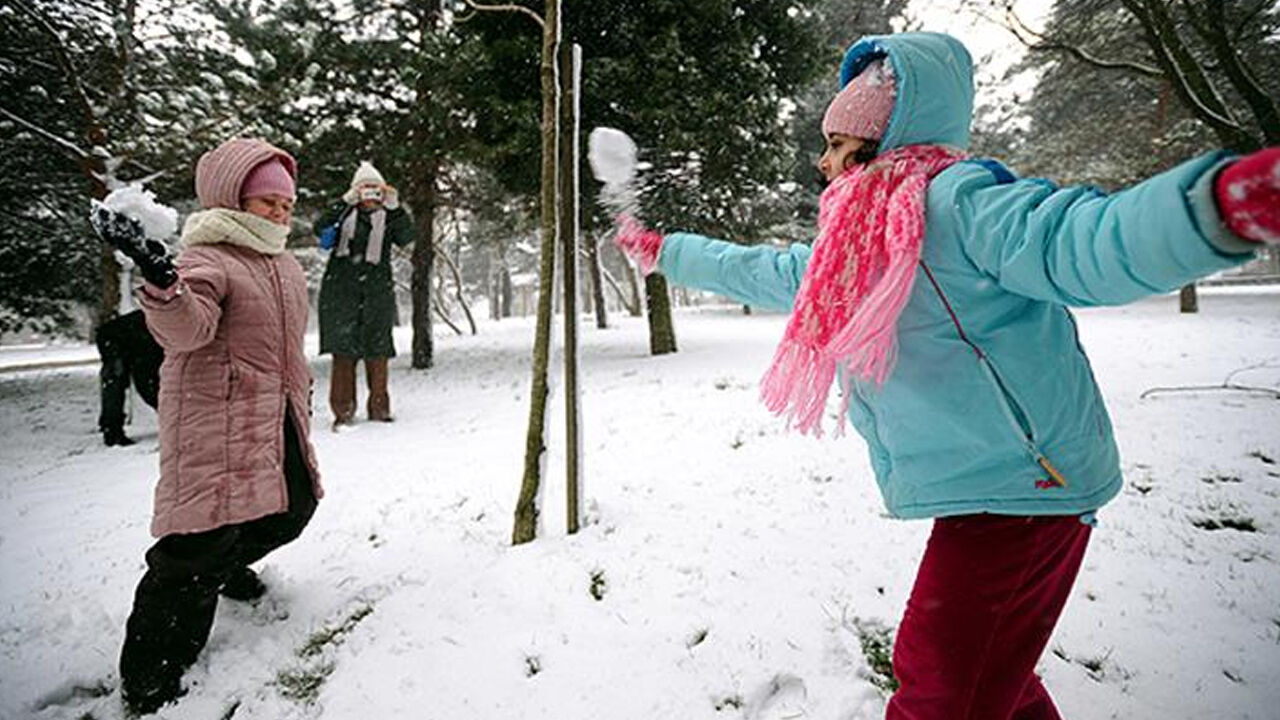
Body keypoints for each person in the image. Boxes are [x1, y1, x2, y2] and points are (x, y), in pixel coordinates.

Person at [612, 32, 1278, 720]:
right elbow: (766, 270)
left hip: (1031, 480)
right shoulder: (858, 238)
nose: (824, 159)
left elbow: (1081, 239)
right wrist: (668, 252)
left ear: (887, 141)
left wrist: (1217, 206)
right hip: (989, 484)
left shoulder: (961, 204)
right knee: (993, 675)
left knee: (939, 683)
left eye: (839, 142)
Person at [90, 137, 324, 716]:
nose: (281, 210)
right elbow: (185, 330)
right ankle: (150, 681)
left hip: (275, 418)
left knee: (293, 506)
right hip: (213, 424)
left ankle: (226, 568)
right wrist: (159, 278)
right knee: (191, 554)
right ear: (233, 199)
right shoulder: (207, 258)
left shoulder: (283, 263)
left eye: (287, 202)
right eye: (268, 200)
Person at [316, 161, 414, 426]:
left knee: (378, 350)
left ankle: (380, 409)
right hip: (341, 291)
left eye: (375, 190)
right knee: (343, 353)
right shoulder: (343, 214)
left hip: (376, 292)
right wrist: (342, 202)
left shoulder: (389, 218)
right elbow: (319, 229)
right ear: (356, 191)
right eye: (364, 190)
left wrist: (396, 208)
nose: (370, 196)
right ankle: (343, 412)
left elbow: (407, 237)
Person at [95, 308, 163, 446]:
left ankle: (109, 425)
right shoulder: (158, 340)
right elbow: (147, 385)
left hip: (122, 336)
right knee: (116, 381)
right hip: (117, 338)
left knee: (114, 382)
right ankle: (112, 432)